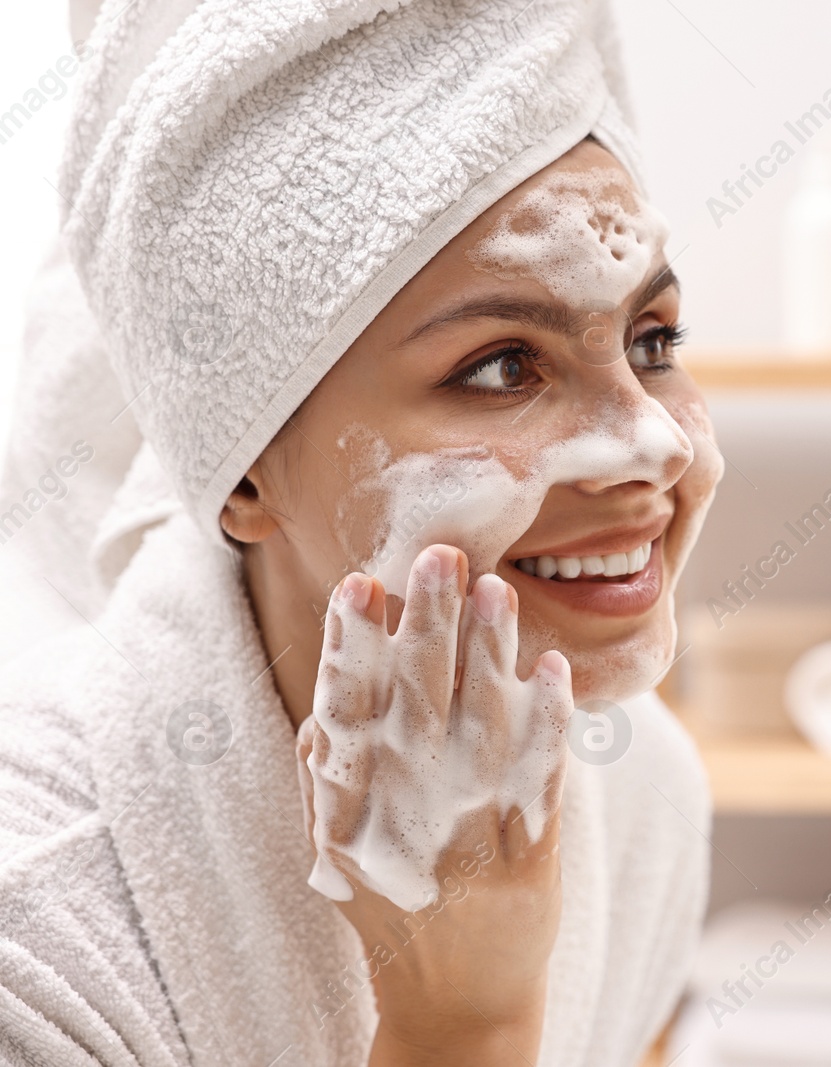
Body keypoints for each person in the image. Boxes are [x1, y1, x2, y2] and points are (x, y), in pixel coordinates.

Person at [0, 2, 719, 1065]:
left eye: (652, 340)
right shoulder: (39, 916)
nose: (651, 439)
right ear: (241, 471)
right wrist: (462, 1023)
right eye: (502, 366)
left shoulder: (640, 790)